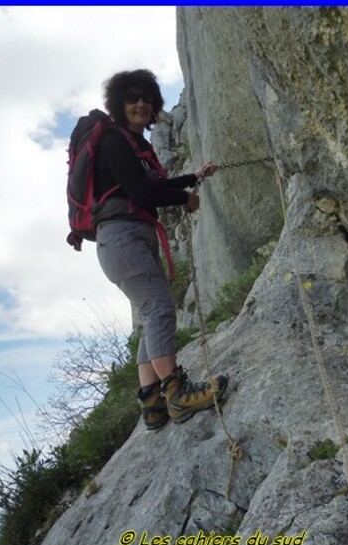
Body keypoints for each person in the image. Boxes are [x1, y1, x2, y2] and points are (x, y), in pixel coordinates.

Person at [93, 69, 228, 430]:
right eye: (132, 98)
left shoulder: (135, 145)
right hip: (122, 238)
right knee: (160, 309)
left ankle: (152, 401)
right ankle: (178, 394)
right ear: (119, 105)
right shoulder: (114, 141)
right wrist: (185, 198)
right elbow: (142, 193)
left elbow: (152, 185)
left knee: (151, 314)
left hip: (129, 239)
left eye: (147, 98)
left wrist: (195, 177)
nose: (141, 104)